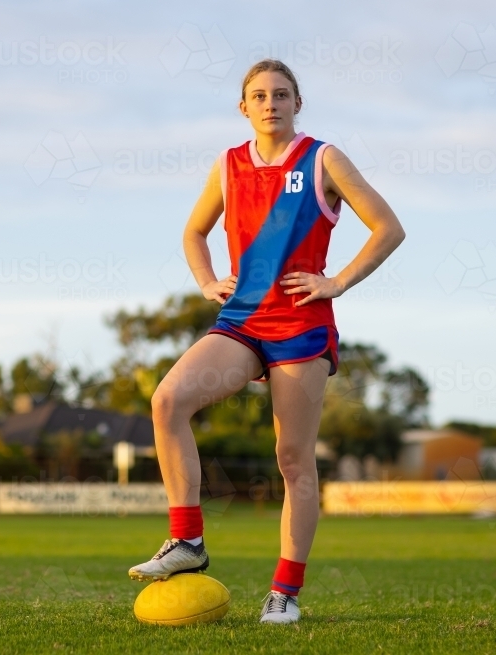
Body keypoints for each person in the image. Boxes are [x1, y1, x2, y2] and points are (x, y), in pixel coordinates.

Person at [127, 59, 405, 624]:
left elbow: (388, 227)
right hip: (242, 321)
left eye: (281, 94)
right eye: (259, 95)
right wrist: (207, 281)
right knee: (167, 401)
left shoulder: (323, 158)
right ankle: (187, 541)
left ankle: (284, 594)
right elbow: (194, 230)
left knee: (293, 459)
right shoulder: (228, 165)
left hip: (302, 325)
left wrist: (337, 282)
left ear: (297, 103)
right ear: (244, 107)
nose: (271, 103)